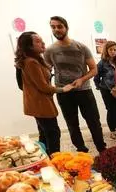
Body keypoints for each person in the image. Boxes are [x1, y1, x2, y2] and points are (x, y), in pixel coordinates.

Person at [45, 16, 106, 153]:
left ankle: (102, 150)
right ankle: (81, 151)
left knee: (94, 122)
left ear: (66, 27)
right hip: (64, 93)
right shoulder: (50, 51)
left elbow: (94, 69)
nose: (56, 29)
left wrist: (81, 80)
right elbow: (46, 72)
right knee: (72, 125)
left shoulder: (81, 47)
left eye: (59, 26)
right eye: (53, 27)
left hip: (84, 91)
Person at [15, 31, 73, 156]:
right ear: (29, 46)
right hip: (40, 104)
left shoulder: (33, 60)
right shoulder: (31, 62)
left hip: (39, 103)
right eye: (37, 41)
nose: (42, 43)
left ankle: (44, 160)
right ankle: (55, 161)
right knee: (53, 133)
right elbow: (43, 87)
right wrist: (63, 89)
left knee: (45, 133)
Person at [93, 41, 116, 142]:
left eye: (115, 50)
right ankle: (112, 132)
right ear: (106, 51)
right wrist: (100, 87)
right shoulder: (102, 63)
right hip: (107, 90)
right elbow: (96, 77)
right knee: (111, 110)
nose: (113, 52)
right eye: (111, 50)